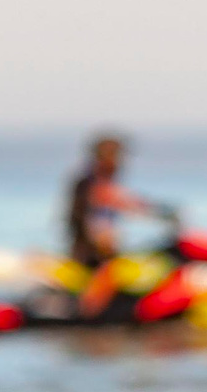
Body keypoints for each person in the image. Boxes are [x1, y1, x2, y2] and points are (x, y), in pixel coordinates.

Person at [61, 133, 172, 314]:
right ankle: (89, 314)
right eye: (117, 157)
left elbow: (124, 199)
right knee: (108, 277)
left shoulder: (99, 181)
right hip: (90, 253)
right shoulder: (92, 183)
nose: (121, 163)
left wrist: (156, 210)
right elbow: (108, 206)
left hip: (99, 251)